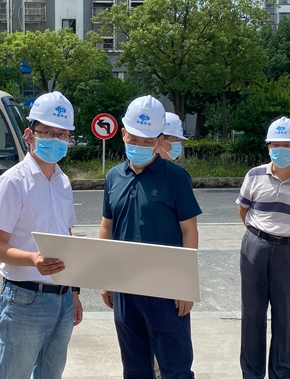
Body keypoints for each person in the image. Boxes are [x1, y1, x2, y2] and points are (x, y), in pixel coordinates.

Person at [100, 95, 202, 379]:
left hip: (166, 289)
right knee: (135, 367)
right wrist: (106, 277)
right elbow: (107, 227)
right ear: (123, 134)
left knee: (175, 368)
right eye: (134, 139)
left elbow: (189, 231)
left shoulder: (176, 178)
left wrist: (185, 285)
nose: (139, 146)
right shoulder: (113, 177)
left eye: (147, 141)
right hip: (125, 286)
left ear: (159, 140)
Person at [0, 91, 83, 379]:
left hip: (62, 298)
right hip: (24, 298)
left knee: (51, 374)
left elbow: (67, 237)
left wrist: (74, 292)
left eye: (62, 134)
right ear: (29, 134)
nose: (56, 139)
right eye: (47, 132)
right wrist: (33, 259)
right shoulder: (12, 182)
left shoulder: (63, 181)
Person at [236, 116, 290, 379]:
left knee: (286, 315)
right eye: (275, 145)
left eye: (287, 145)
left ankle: (282, 373)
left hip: (288, 252)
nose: (280, 150)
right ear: (268, 147)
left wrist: (287, 236)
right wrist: (260, 234)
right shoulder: (254, 175)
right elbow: (243, 209)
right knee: (252, 314)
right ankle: (251, 373)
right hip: (255, 246)